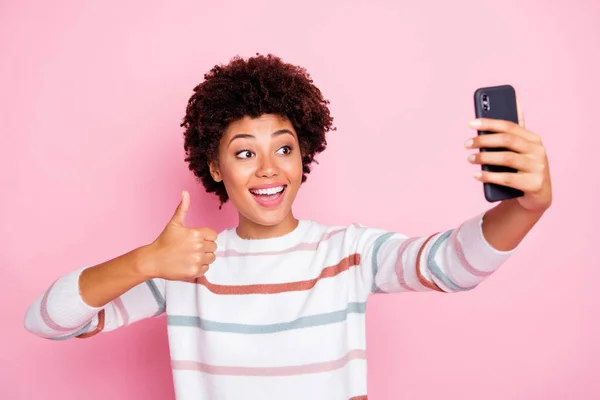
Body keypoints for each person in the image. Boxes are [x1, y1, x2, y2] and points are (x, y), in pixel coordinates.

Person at [24, 53, 552, 400]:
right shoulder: (185, 267)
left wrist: (528, 206)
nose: (269, 168)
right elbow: (47, 319)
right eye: (244, 153)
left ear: (304, 156)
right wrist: (144, 262)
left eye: (283, 147)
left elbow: (452, 266)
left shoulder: (347, 252)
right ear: (214, 167)